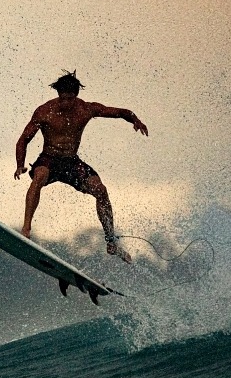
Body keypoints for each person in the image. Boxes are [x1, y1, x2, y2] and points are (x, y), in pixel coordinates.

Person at [14, 71, 148, 261]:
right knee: (40, 175)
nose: (66, 103)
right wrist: (20, 165)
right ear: (58, 94)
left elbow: (119, 112)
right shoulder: (45, 111)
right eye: (63, 98)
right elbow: (23, 140)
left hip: (72, 161)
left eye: (70, 98)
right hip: (49, 159)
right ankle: (26, 229)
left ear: (76, 95)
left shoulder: (86, 109)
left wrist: (135, 120)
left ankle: (111, 241)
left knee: (100, 190)